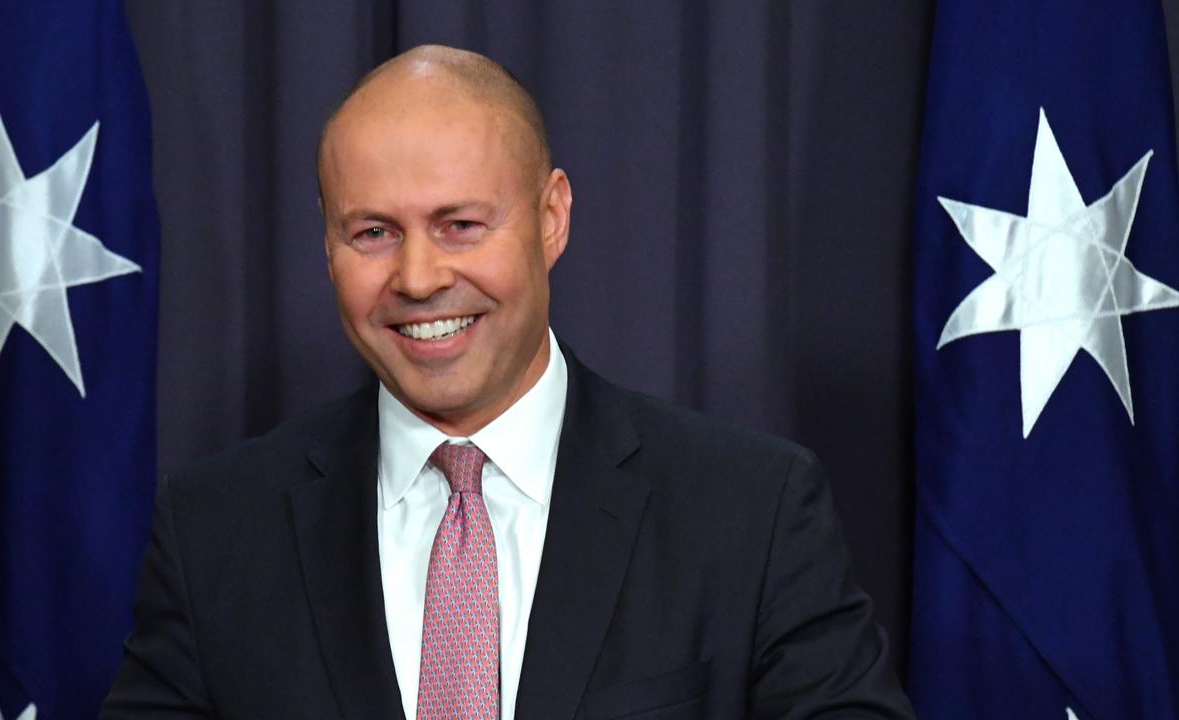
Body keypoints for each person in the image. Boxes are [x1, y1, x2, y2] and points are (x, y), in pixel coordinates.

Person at [100, 45, 914, 719]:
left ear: (551, 218)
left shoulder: (751, 510)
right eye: (374, 232)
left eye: (460, 225)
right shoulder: (214, 529)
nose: (418, 278)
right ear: (327, 245)